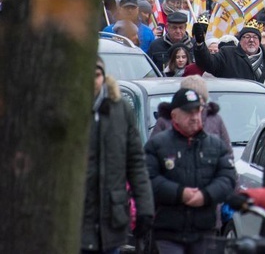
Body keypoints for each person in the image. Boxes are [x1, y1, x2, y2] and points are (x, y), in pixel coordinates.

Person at [144, 87, 236, 254]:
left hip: (205, 230)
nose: (194, 117)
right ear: (174, 116)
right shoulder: (158, 145)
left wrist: (206, 195)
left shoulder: (215, 145)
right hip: (168, 230)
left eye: (197, 112)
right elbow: (148, 179)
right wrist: (179, 193)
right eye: (188, 113)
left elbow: (228, 178)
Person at [82, 57, 154, 254]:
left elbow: (136, 162)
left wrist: (145, 208)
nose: (92, 81)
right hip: (76, 215)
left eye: (97, 75)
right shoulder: (69, 110)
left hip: (111, 215)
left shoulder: (120, 109)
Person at [150, 75, 231, 149]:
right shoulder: (165, 121)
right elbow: (152, 152)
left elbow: (227, 152)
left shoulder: (215, 120)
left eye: (198, 99)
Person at [192, 19, 265, 83]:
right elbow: (207, 63)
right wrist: (200, 44)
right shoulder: (227, 55)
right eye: (247, 37)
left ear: (259, 42)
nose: (251, 40)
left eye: (255, 37)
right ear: (240, 41)